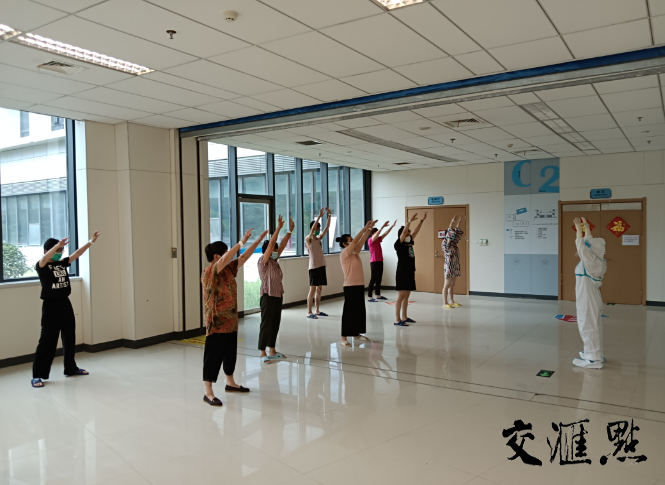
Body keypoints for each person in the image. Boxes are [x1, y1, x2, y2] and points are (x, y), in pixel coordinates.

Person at [202, 227, 269, 406]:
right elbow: (225, 259)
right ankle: (208, 392)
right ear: (216, 256)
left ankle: (230, 382)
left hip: (231, 322)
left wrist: (257, 241)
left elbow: (244, 257)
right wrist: (240, 243)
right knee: (213, 357)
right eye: (224, 252)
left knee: (230, 354)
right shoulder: (209, 272)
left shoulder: (228, 270)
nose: (228, 255)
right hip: (216, 324)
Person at [31, 231, 101, 388]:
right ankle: (37, 375)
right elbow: (44, 258)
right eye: (57, 251)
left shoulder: (61, 263)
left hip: (65, 304)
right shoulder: (41, 265)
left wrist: (91, 241)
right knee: (47, 341)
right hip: (50, 306)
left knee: (69, 337)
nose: (60, 253)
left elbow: (77, 254)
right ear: (47, 251)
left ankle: (70, 368)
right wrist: (57, 245)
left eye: (61, 250)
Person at [572, 216, 607, 369]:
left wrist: (579, 230)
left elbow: (581, 246)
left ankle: (593, 359)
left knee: (587, 325)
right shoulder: (598, 260)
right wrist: (586, 228)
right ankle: (595, 353)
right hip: (592, 296)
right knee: (595, 325)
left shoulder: (590, 262)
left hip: (587, 298)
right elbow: (587, 245)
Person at [258, 215, 293, 364]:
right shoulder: (263, 261)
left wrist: (290, 231)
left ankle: (272, 349)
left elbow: (282, 244)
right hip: (268, 296)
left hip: (278, 295)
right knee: (266, 324)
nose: (276, 251)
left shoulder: (274, 261)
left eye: (276, 250)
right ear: (267, 250)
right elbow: (272, 243)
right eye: (273, 249)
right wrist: (278, 228)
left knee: (275, 323)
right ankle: (262, 352)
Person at [338, 220, 376, 347]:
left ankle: (356, 334)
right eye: (350, 240)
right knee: (349, 312)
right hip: (350, 286)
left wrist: (368, 230)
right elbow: (355, 242)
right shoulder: (345, 253)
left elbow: (361, 240)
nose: (353, 241)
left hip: (359, 284)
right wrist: (364, 228)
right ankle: (343, 337)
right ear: (345, 244)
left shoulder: (355, 252)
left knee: (359, 311)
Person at [394, 213, 426, 326]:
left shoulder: (409, 243)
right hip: (402, 272)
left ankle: (404, 316)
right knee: (401, 296)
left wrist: (422, 221)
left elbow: (416, 232)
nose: (409, 233)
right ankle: (397, 319)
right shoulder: (399, 244)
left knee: (407, 296)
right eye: (408, 232)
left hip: (410, 271)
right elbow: (403, 233)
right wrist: (409, 221)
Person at [305, 207, 331, 319]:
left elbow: (327, 227)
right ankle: (309, 312)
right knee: (312, 289)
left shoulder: (318, 238)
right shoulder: (308, 239)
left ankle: (317, 310)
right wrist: (319, 217)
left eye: (319, 228)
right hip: (313, 267)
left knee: (319, 289)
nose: (318, 229)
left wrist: (329, 215)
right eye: (316, 227)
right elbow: (311, 231)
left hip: (321, 266)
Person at [367, 220, 396, 302]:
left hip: (380, 261)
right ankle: (370, 297)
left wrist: (392, 226)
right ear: (372, 234)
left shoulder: (378, 240)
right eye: (376, 233)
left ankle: (378, 295)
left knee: (379, 279)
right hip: (374, 262)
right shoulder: (370, 240)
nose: (378, 234)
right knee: (373, 279)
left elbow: (385, 233)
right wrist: (382, 226)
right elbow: (377, 234)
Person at [442, 214, 464, 309]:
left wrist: (459, 222)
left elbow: (457, 233)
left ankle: (451, 301)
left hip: (455, 265)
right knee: (447, 284)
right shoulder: (445, 243)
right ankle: (445, 302)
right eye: (452, 235)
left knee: (452, 284)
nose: (454, 236)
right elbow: (450, 233)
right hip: (449, 266)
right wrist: (452, 221)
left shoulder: (454, 244)